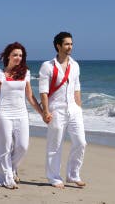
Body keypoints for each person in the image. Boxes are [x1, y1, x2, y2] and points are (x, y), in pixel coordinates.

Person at [0, 42, 43, 189]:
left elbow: (30, 97)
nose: (18, 57)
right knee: (5, 146)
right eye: (15, 55)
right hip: (4, 113)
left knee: (23, 146)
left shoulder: (26, 73)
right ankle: (6, 178)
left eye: (20, 55)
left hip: (21, 114)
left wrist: (43, 113)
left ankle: (11, 168)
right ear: (8, 56)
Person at [39, 31, 87, 188]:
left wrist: (79, 108)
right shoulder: (47, 66)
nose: (70, 47)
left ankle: (73, 175)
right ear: (58, 46)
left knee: (81, 142)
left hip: (74, 110)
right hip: (56, 110)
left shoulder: (75, 65)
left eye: (71, 44)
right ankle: (54, 177)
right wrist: (45, 111)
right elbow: (44, 91)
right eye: (67, 44)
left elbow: (76, 88)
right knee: (55, 145)